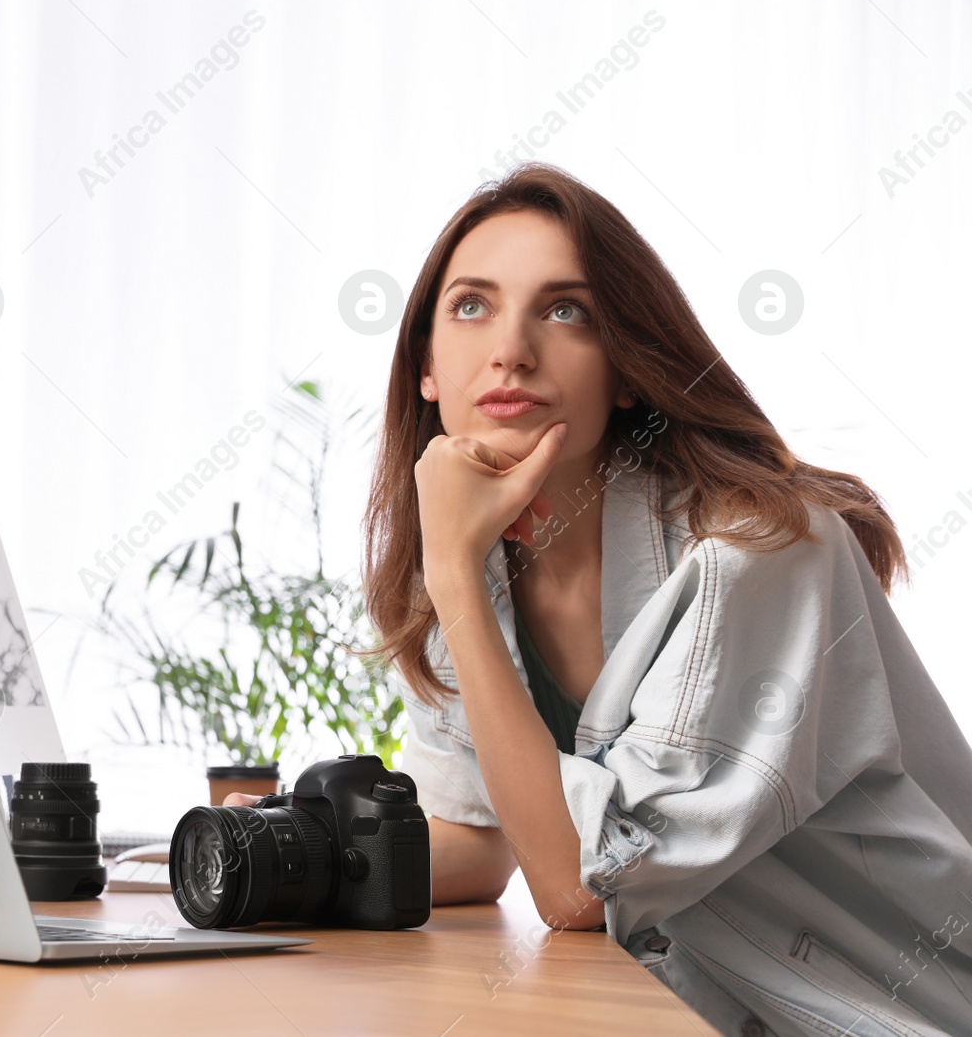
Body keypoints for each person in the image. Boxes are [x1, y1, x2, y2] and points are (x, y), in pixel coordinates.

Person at [227, 163, 972, 1036]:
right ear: (426, 365)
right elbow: (482, 834)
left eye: (565, 309)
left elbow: (579, 885)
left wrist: (455, 573)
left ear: (625, 367)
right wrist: (299, 849)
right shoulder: (475, 561)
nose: (510, 348)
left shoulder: (756, 546)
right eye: (471, 305)